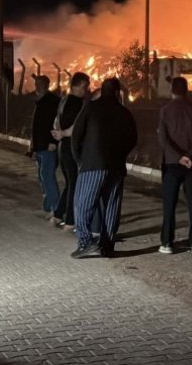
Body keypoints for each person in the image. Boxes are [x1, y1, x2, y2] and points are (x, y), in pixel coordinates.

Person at [70, 78, 137, 258]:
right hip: (116, 166)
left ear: (102, 90)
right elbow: (133, 139)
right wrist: (120, 154)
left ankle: (86, 243)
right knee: (111, 206)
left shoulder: (91, 108)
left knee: (83, 203)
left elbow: (76, 135)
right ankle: (107, 245)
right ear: (117, 92)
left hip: (92, 165)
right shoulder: (124, 112)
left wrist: (79, 160)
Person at [157, 76, 192, 254]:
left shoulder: (165, 111)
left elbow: (163, 139)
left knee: (169, 205)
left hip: (172, 163)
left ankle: (167, 243)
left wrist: (179, 157)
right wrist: (189, 155)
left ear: (171, 90)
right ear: (186, 90)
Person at [51, 73, 90, 230]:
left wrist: (59, 133)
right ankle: (70, 221)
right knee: (74, 183)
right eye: (83, 87)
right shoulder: (77, 103)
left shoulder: (64, 100)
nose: (85, 90)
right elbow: (78, 125)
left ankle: (58, 214)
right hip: (71, 146)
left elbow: (56, 121)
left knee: (70, 182)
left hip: (63, 147)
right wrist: (65, 133)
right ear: (75, 86)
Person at [28, 75, 61, 215]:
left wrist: (53, 142)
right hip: (41, 145)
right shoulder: (41, 102)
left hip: (48, 146)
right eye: (37, 84)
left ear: (45, 85)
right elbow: (36, 126)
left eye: (39, 84)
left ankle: (54, 207)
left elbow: (56, 123)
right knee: (43, 176)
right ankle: (48, 205)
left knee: (47, 175)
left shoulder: (52, 102)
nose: (37, 87)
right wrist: (33, 147)